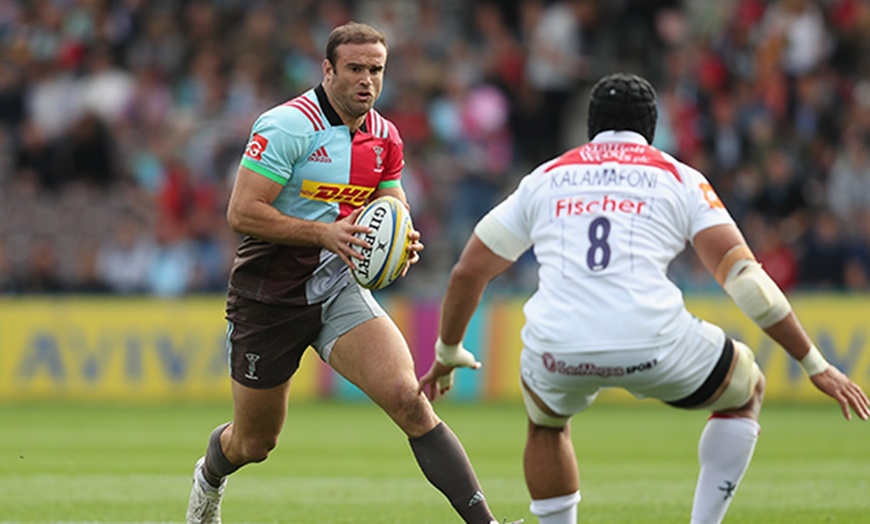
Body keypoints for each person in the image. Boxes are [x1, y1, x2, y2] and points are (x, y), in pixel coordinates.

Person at [419, 72, 870, 524]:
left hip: (559, 345)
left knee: (546, 423)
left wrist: (448, 350)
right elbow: (745, 279)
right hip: (654, 341)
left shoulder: (545, 178)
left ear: (590, 127)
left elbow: (468, 272)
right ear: (652, 128)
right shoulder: (679, 177)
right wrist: (815, 364)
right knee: (745, 389)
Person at [186, 22, 515, 524]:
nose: (367, 81)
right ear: (328, 70)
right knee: (254, 443)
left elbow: (391, 200)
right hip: (269, 297)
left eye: (376, 70)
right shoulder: (286, 126)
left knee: (410, 400)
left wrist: (403, 238)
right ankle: (209, 477)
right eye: (356, 69)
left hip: (338, 289)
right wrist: (324, 234)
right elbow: (242, 213)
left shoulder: (386, 136)